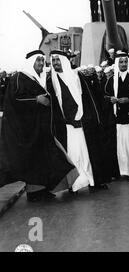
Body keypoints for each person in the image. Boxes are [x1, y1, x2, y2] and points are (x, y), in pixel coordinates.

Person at [0, 50, 78, 202]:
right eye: (38, 61)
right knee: (29, 162)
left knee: (43, 161)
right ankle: (34, 193)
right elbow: (13, 101)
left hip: (40, 130)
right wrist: (35, 100)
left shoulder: (40, 78)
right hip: (26, 131)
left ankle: (41, 191)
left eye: (43, 61)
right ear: (31, 63)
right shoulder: (19, 77)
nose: (42, 64)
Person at [48, 51, 110, 193]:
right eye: (53, 60)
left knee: (88, 154)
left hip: (84, 123)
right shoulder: (50, 80)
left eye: (58, 60)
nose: (56, 63)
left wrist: (83, 117)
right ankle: (74, 185)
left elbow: (88, 99)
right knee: (73, 155)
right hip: (66, 126)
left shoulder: (77, 76)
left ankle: (94, 182)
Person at [103, 52, 129, 179]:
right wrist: (110, 99)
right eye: (121, 62)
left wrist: (128, 100)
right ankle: (118, 171)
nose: (123, 64)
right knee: (118, 146)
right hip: (116, 119)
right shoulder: (111, 80)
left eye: (125, 62)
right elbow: (104, 96)